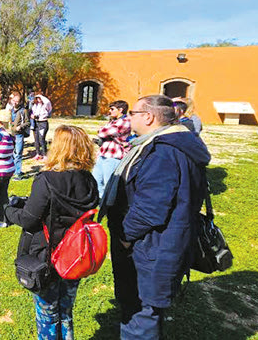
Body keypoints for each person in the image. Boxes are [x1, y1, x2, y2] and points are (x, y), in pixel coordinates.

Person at [100, 95, 210, 339]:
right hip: (157, 245)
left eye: (133, 114)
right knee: (143, 312)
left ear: (148, 117)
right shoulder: (169, 143)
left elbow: (151, 208)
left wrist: (125, 237)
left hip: (152, 248)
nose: (129, 118)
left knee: (141, 313)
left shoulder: (163, 152)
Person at [5, 125, 99, 340]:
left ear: (59, 148)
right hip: (77, 254)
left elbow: (29, 219)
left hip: (47, 255)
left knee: (47, 313)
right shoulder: (89, 181)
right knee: (65, 311)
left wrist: (8, 210)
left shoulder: (47, 179)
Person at [92, 100, 131, 198]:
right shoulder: (113, 121)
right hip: (103, 154)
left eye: (112, 109)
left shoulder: (125, 121)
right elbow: (102, 131)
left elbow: (105, 132)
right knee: (96, 180)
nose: (110, 111)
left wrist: (103, 131)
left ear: (120, 110)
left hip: (114, 156)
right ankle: (99, 202)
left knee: (108, 182)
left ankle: (109, 205)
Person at [10, 91, 30, 180]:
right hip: (11, 134)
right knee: (12, 153)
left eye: (17, 101)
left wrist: (20, 127)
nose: (15, 102)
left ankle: (17, 173)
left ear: (20, 102)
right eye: (14, 100)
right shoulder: (10, 110)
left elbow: (28, 122)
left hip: (19, 135)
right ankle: (14, 170)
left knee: (18, 153)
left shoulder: (23, 111)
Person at [31, 94, 52, 160]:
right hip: (36, 122)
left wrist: (41, 96)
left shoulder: (45, 104)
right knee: (36, 139)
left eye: (39, 99)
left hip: (43, 122)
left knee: (41, 139)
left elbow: (48, 103)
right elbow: (32, 112)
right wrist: (32, 116)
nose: (38, 100)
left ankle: (44, 154)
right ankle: (38, 153)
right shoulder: (35, 106)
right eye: (37, 99)